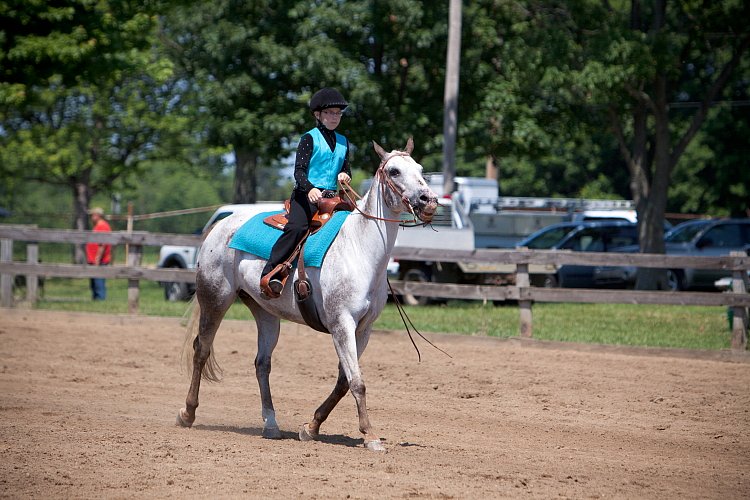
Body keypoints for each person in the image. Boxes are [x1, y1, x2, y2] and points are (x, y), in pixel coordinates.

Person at [260, 87, 352, 298]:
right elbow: (298, 171)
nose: (334, 117)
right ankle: (270, 273)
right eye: (329, 113)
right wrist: (310, 189)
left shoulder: (344, 141)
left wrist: (345, 176)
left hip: (333, 199)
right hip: (306, 195)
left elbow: (346, 169)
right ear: (317, 115)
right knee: (296, 227)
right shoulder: (308, 138)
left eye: (338, 113)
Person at [86, 207, 112, 300]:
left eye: (92, 215)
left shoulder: (102, 226)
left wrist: (97, 258)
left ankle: (100, 300)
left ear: (97, 215)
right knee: (94, 284)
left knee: (98, 284)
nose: (91, 217)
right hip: (94, 260)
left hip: (99, 261)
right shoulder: (97, 226)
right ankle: (96, 300)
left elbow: (102, 244)